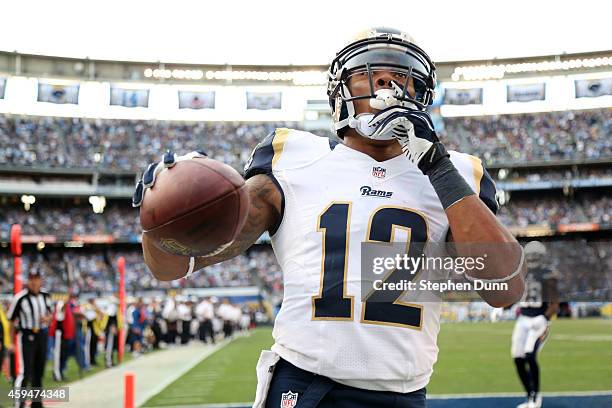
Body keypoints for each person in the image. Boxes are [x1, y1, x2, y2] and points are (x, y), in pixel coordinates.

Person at [135, 27, 525, 408]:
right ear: (340, 91)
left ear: (421, 93)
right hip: (305, 386)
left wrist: (436, 165)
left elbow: (503, 288)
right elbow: (174, 264)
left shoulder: (459, 173)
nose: (388, 82)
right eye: (370, 72)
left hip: (403, 394)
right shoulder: (294, 157)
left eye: (404, 76)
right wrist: (159, 219)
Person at [512, 241, 559, 408]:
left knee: (530, 355)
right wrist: (505, 307)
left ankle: (536, 396)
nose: (531, 259)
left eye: (534, 256)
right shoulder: (522, 273)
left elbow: (554, 302)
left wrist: (545, 318)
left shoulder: (548, 274)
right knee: (517, 358)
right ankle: (529, 395)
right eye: (530, 255)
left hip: (538, 319)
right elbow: (516, 295)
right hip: (523, 319)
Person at [7, 271, 52, 408]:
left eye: (36, 279)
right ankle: (18, 404)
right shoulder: (20, 298)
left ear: (40, 281)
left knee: (39, 371)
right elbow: (11, 321)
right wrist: (9, 342)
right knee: (24, 372)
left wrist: (47, 318)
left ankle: (36, 403)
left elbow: (50, 313)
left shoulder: (46, 296)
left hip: (42, 335)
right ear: (28, 281)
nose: (34, 282)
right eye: (31, 279)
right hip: (26, 336)